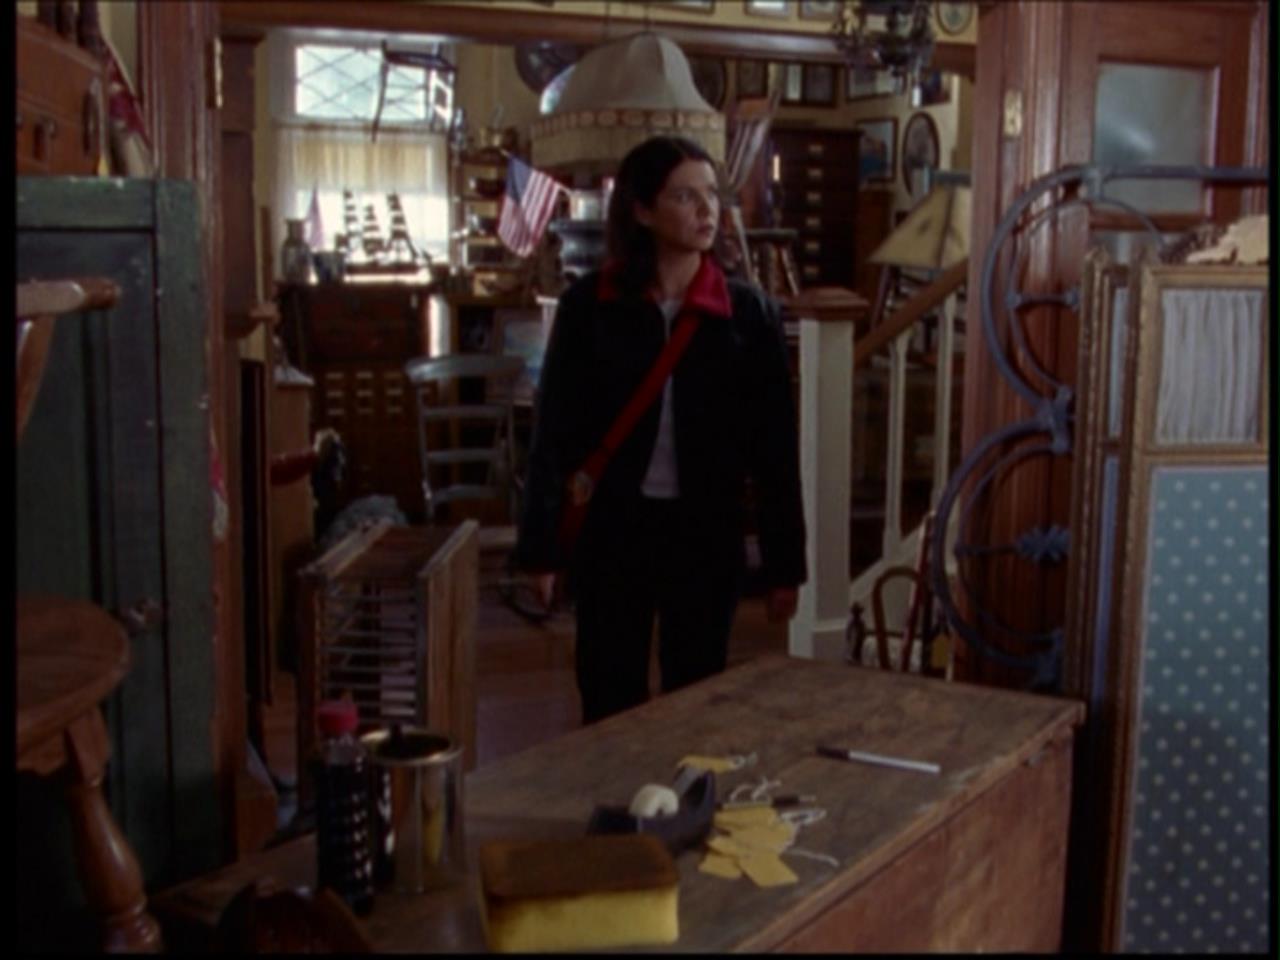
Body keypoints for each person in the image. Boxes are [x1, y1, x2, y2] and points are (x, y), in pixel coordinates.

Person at [515, 135, 807, 725]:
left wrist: (784, 565)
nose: (707, 211)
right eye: (685, 196)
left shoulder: (748, 314)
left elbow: (775, 451)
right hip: (613, 531)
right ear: (643, 210)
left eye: (712, 195)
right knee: (607, 696)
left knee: (694, 700)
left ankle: (682, 789)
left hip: (705, 534)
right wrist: (541, 551)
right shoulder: (588, 306)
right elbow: (554, 435)